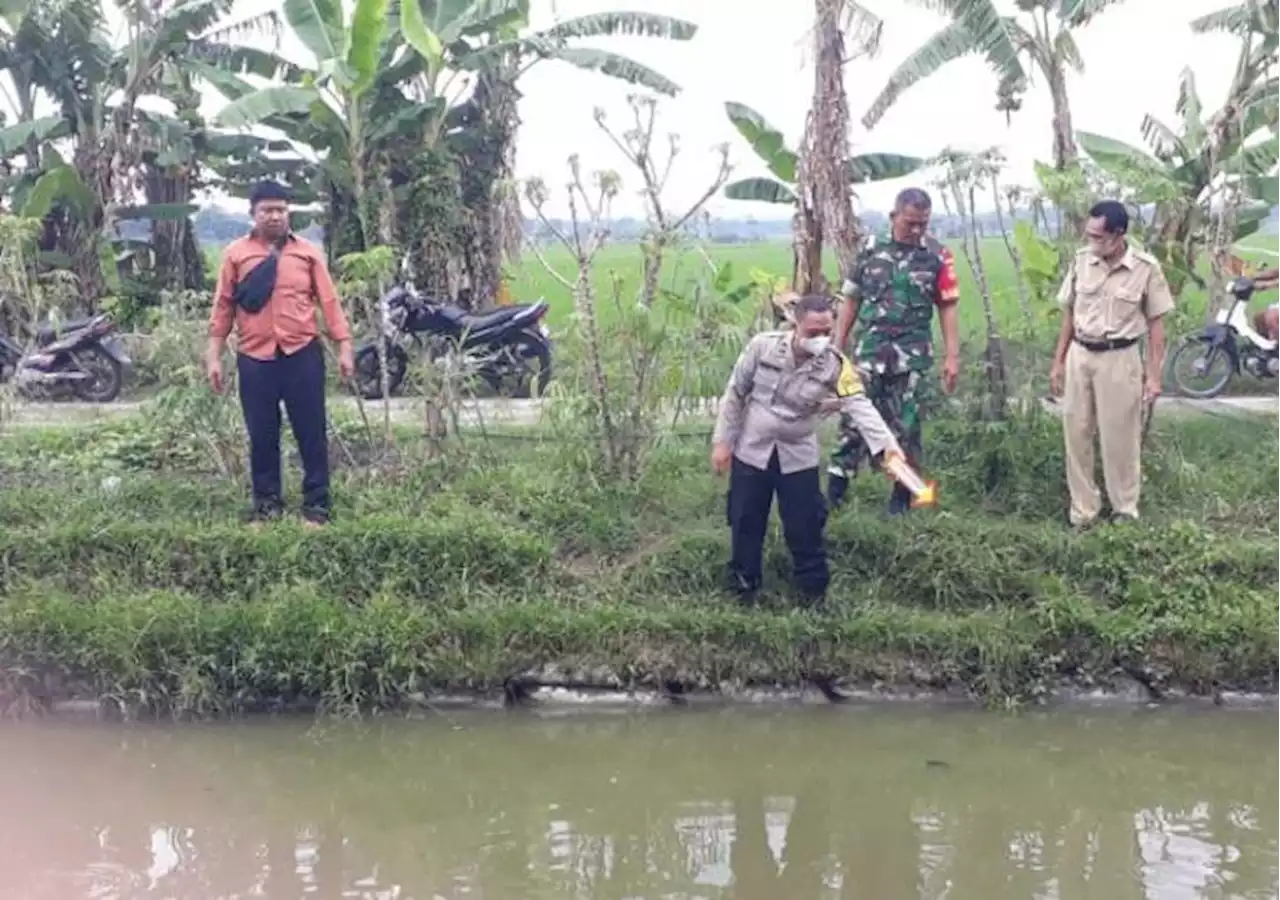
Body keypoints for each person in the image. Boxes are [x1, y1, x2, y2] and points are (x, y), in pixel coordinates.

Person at [710, 294, 903, 605]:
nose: (821, 339)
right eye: (813, 332)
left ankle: (813, 595)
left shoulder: (836, 365)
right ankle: (744, 589)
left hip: (797, 456)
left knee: (805, 526)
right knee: (745, 520)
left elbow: (859, 406)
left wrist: (888, 449)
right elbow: (735, 393)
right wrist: (723, 442)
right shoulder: (763, 346)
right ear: (796, 325)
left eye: (826, 331)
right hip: (752, 449)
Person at [206, 180, 356, 526]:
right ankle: (267, 505)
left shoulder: (307, 253)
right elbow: (223, 306)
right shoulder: (236, 255)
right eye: (266, 210)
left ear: (288, 213)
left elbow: (329, 301)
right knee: (262, 434)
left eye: (280, 210)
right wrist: (214, 355)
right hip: (255, 357)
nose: (273, 216)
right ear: (253, 215)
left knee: (311, 432)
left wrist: (344, 346)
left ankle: (317, 507)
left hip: (302, 354)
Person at [827, 187, 961, 513]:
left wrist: (952, 356)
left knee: (906, 426)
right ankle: (833, 496)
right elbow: (852, 298)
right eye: (910, 222)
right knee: (853, 421)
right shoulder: (870, 249)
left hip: (911, 355)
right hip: (869, 352)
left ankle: (902, 498)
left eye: (923, 224)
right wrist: (837, 344)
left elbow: (947, 306)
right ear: (894, 216)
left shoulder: (937, 255)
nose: (916, 230)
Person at [1049, 199, 1174, 528]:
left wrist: (1154, 376)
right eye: (1088, 235)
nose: (1091, 242)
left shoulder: (1146, 268)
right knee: (1076, 434)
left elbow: (1157, 329)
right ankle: (1084, 511)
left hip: (1120, 358)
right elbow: (1068, 314)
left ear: (1118, 235)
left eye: (1098, 236)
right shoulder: (1081, 262)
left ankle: (1124, 509)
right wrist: (1058, 362)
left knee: (1120, 437)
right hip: (1081, 354)